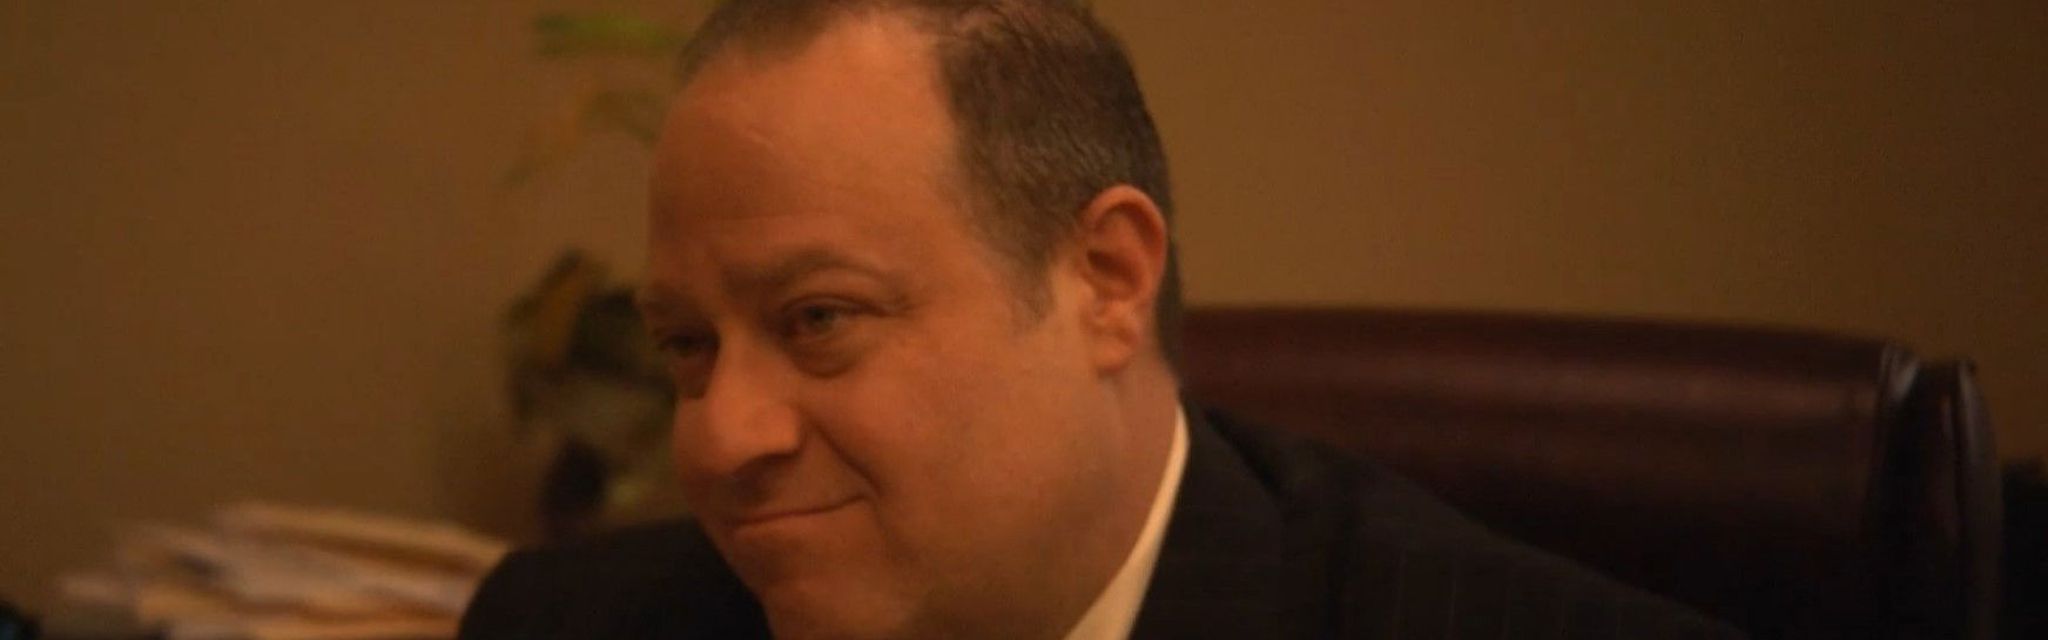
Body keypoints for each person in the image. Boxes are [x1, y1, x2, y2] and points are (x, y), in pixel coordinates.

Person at [459, 1, 1746, 638]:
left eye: (817, 319)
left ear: (1106, 282)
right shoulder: (572, 628)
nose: (719, 436)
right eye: (688, 344)